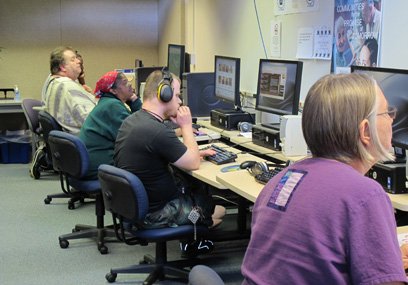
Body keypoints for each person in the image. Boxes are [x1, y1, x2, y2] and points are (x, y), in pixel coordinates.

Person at [241, 73, 408, 284]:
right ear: (366, 130)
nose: (392, 119)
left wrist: (388, 261)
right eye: (387, 113)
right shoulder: (365, 195)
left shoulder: (282, 179)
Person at [114, 69, 225, 256]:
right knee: (218, 211)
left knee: (209, 205)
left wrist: (193, 152)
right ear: (164, 95)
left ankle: (195, 230)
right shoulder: (156, 131)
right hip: (154, 215)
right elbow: (193, 163)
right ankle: (195, 236)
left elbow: (170, 153)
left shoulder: (134, 121)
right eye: (177, 95)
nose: (180, 101)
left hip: (134, 209)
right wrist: (187, 126)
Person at [79, 71, 142, 180]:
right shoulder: (113, 106)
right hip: (101, 166)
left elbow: (137, 125)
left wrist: (133, 101)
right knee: (148, 161)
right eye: (125, 82)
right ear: (113, 90)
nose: (130, 84)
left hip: (92, 163)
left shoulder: (108, 102)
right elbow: (137, 135)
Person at [43, 46, 96, 135]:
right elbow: (92, 122)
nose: (78, 61)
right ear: (63, 67)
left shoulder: (55, 83)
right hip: (91, 142)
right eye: (73, 59)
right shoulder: (68, 86)